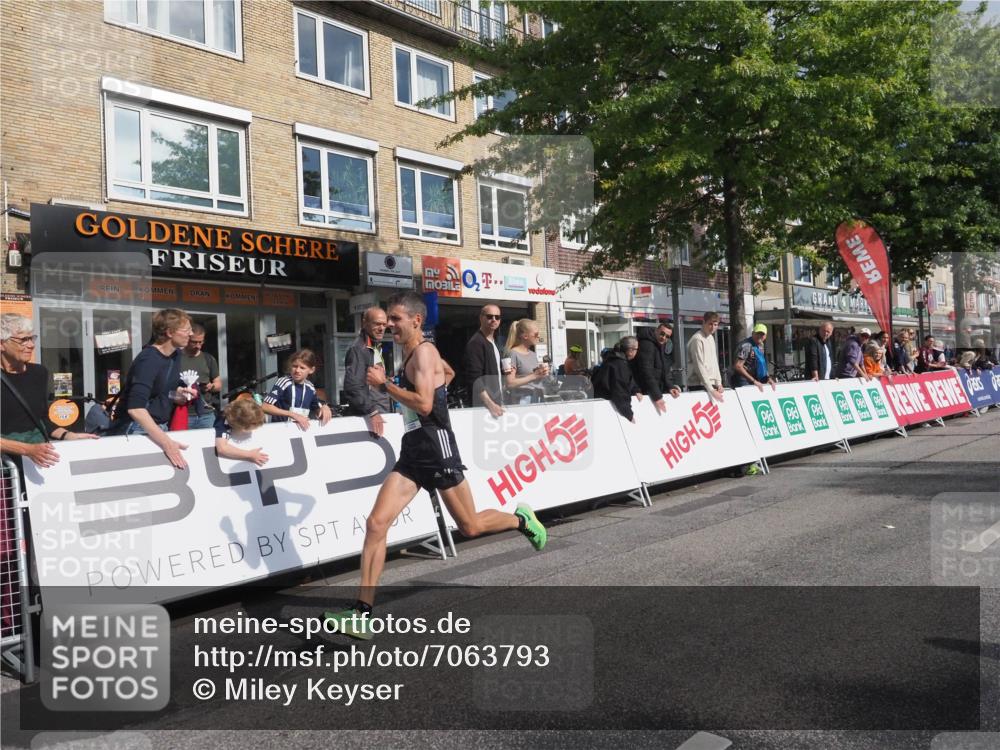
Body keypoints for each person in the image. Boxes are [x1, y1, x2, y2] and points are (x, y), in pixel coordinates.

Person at [324, 292, 547, 639]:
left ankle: (522, 519)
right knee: (376, 523)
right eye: (388, 320)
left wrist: (387, 385)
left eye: (396, 319)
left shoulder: (424, 351)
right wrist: (425, 382)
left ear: (415, 321)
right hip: (414, 449)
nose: (390, 326)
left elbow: (425, 405)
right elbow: (449, 372)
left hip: (436, 444)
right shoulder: (416, 354)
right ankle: (362, 613)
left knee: (470, 527)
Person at [0, 313, 98, 469]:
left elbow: (42, 420)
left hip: (37, 464)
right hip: (6, 470)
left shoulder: (39, 373)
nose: (31, 345)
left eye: (32, 338)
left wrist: (69, 435)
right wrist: (27, 449)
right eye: (23, 340)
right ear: (2, 344)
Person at [110, 308, 199, 469]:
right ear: (170, 332)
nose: (191, 334)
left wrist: (179, 394)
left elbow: (162, 392)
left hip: (159, 427)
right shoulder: (148, 359)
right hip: (137, 428)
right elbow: (136, 409)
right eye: (186, 330)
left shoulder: (176, 355)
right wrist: (167, 443)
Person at [343, 307, 391, 436]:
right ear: (365, 323)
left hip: (381, 413)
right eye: (377, 324)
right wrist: (373, 412)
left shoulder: (374, 346)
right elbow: (352, 386)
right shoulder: (359, 348)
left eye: (384, 324)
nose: (381, 328)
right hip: (370, 417)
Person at [263, 349, 333, 430]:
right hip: (281, 430)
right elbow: (265, 406)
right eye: (294, 366)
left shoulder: (310, 387)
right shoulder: (284, 382)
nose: (297, 370)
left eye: (302, 368)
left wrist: (324, 407)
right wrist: (292, 415)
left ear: (311, 370)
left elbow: (316, 407)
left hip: (300, 431)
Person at [463, 304, 508, 419]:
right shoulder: (476, 343)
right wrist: (490, 404)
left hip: (496, 402)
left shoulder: (494, 342)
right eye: (489, 316)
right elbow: (474, 378)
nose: (494, 320)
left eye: (497, 317)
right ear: (481, 318)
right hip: (484, 408)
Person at [179, 323, 222, 430]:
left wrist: (211, 386)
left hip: (206, 414)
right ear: (187, 339)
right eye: (194, 342)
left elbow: (219, 384)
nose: (198, 345)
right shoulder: (175, 358)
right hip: (182, 412)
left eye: (201, 342)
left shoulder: (208, 359)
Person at [632, 323, 681, 414]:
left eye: (667, 336)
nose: (664, 338)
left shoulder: (659, 344)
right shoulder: (647, 344)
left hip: (651, 392)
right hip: (644, 393)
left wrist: (669, 386)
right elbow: (646, 371)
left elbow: (663, 369)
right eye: (662, 334)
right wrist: (657, 396)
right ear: (656, 331)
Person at [593, 336, 643, 421]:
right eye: (636, 349)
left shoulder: (616, 360)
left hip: (601, 403)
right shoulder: (619, 364)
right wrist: (628, 414)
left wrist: (636, 390)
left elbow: (628, 380)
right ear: (630, 350)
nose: (637, 352)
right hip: (604, 406)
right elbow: (620, 390)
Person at [504, 319, 549, 404]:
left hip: (537, 398)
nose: (538, 336)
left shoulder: (533, 354)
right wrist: (534, 375)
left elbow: (534, 379)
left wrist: (542, 373)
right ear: (525, 336)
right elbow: (510, 383)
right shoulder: (513, 353)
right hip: (522, 401)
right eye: (536, 334)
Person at [214, 397, 269, 466]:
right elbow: (222, 449)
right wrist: (249, 455)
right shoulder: (223, 423)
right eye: (255, 424)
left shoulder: (249, 408)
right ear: (242, 426)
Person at [686, 312, 725, 402]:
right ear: (703, 322)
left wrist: (719, 383)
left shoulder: (711, 338)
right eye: (710, 324)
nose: (713, 327)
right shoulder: (697, 339)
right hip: (698, 385)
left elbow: (715, 362)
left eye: (715, 324)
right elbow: (699, 366)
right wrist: (710, 389)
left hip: (710, 384)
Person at [732, 323, 776, 391]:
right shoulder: (747, 345)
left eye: (762, 334)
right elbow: (738, 366)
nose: (760, 336)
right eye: (757, 333)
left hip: (756, 381)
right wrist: (754, 381)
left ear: (765, 336)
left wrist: (768, 378)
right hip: (745, 382)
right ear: (753, 333)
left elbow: (762, 364)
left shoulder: (760, 345)